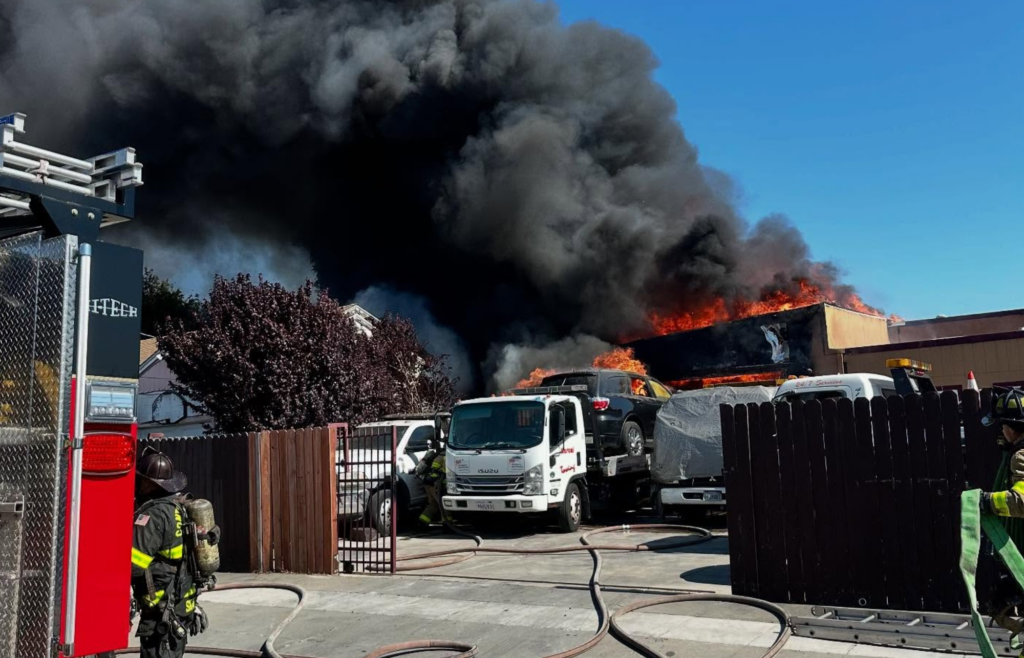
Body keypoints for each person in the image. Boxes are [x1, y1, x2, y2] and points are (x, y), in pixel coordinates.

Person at [131, 447, 215, 658]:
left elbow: (132, 566)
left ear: (150, 484)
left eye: (141, 480)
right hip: (181, 605)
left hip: (162, 614)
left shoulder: (153, 516)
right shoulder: (180, 508)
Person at [979, 387, 1024, 638]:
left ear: (1013, 429)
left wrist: (986, 502)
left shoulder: (1021, 456)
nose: (1001, 432)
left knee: (1000, 605)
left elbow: (1021, 502)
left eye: (1002, 426)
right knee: (999, 605)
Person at [414, 436, 449, 526]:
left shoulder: (436, 454)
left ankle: (422, 522)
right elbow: (444, 473)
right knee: (443, 505)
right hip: (435, 484)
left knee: (433, 504)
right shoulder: (445, 457)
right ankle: (447, 525)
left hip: (428, 483)